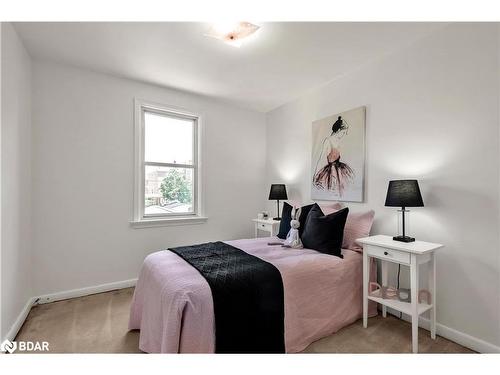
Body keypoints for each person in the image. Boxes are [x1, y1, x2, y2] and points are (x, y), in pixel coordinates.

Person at [313, 116, 354, 196]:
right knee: (332, 189)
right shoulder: (328, 141)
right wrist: (316, 175)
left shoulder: (338, 141)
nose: (345, 134)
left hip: (340, 169)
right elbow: (321, 158)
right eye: (343, 132)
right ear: (338, 130)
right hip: (331, 171)